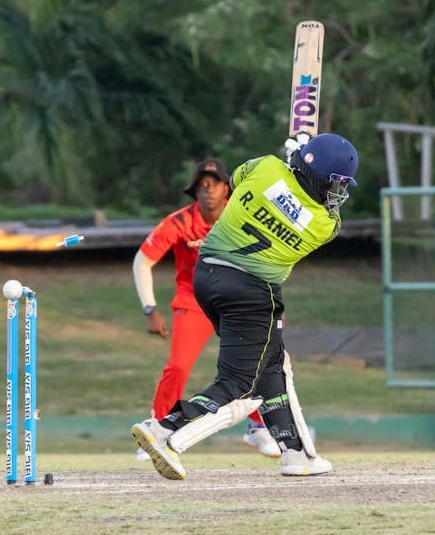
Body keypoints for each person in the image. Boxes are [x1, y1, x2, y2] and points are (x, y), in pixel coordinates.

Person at [131, 133, 359, 480]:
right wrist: (298, 161)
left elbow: (237, 181)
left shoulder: (267, 167)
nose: (336, 192)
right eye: (335, 183)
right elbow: (321, 209)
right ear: (318, 178)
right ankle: (165, 431)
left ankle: (295, 453)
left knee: (273, 367)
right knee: (239, 382)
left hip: (207, 276)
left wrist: (289, 159)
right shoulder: (323, 225)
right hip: (252, 294)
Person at [132, 158, 280, 459]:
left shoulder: (241, 215)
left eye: (215, 183)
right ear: (195, 191)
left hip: (238, 298)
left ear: (227, 188)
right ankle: (158, 429)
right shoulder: (179, 222)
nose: (208, 190)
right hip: (193, 300)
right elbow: (142, 261)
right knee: (179, 365)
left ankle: (258, 427)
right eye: (202, 184)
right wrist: (150, 309)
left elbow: (269, 254)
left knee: (254, 362)